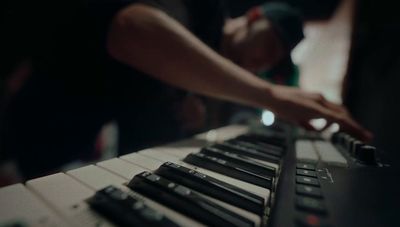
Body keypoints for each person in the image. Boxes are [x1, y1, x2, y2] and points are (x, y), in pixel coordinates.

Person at [0, 0, 372, 180]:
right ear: (254, 17)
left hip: (63, 145)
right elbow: (131, 28)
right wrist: (269, 94)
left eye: (271, 64)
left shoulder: (215, 84)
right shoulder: (205, 8)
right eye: (270, 47)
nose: (263, 62)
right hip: (26, 106)